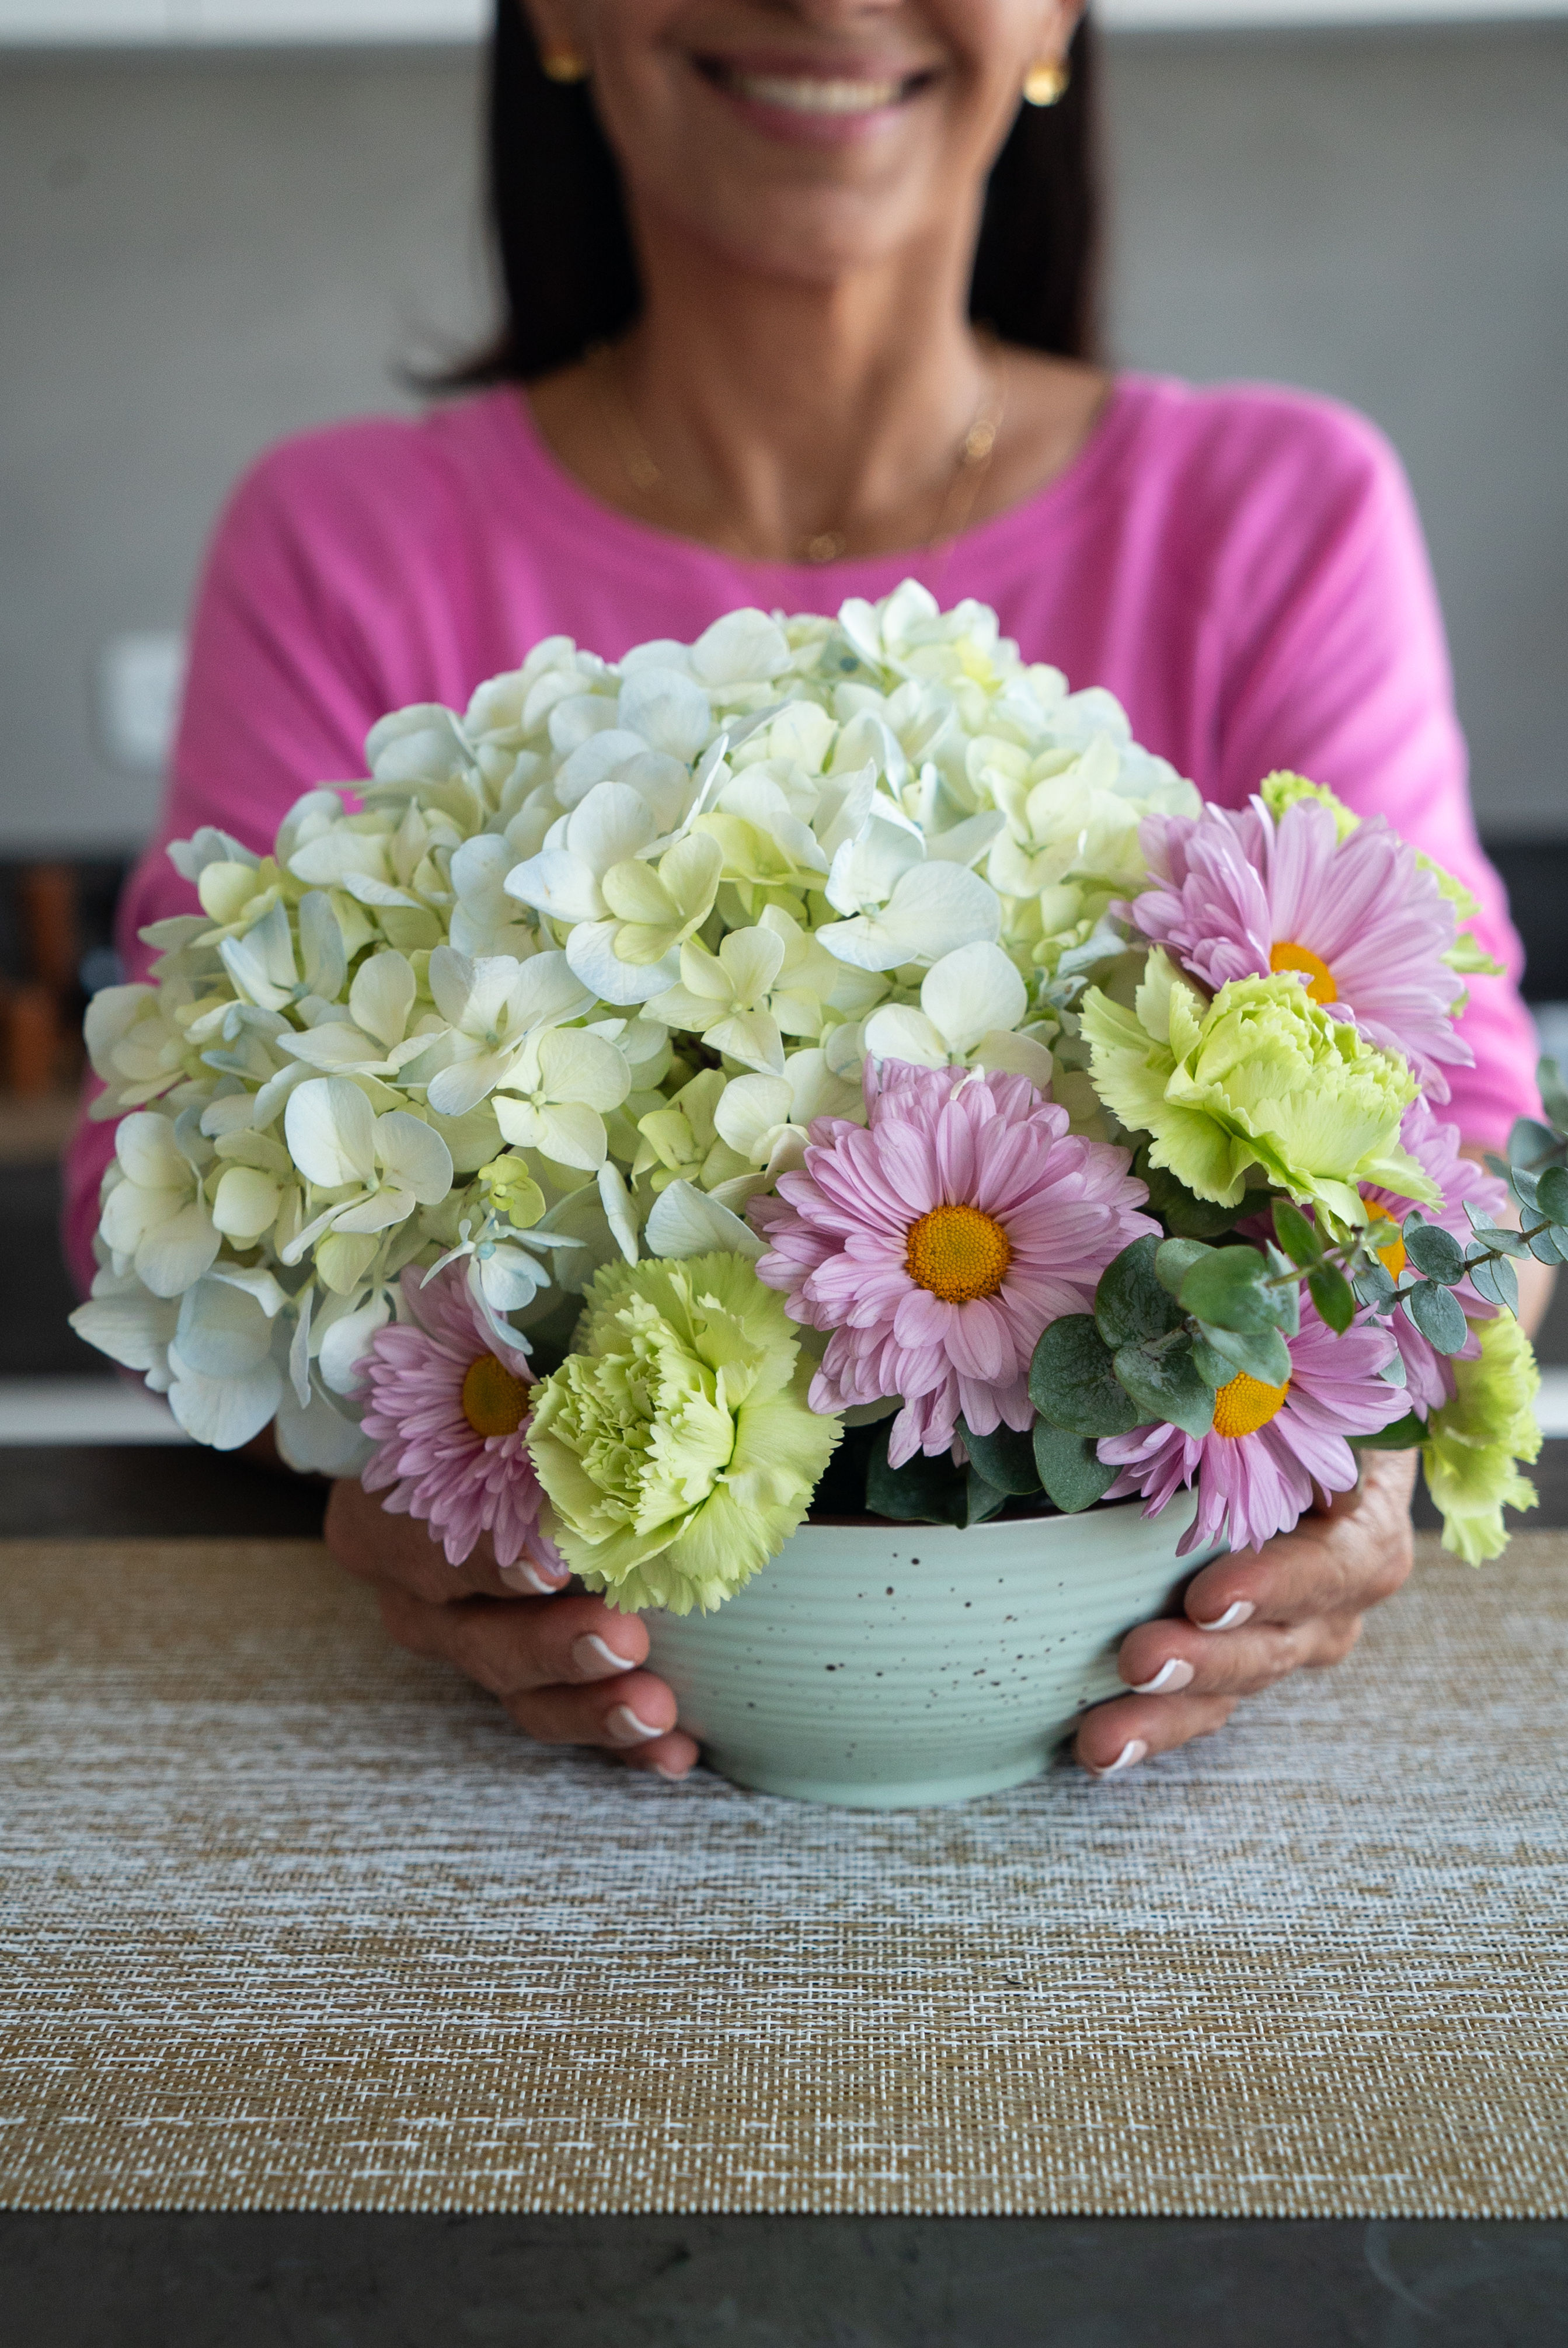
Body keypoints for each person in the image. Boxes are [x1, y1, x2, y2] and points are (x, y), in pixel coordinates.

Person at [66, 0, 1547, 1787]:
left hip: (1129, 1783)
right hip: (519, 1806)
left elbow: (1457, 1107)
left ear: (1060, 19)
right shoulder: (338, 535)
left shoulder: (1278, 507)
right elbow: (145, 1164)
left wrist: (1347, 1432)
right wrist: (398, 1460)